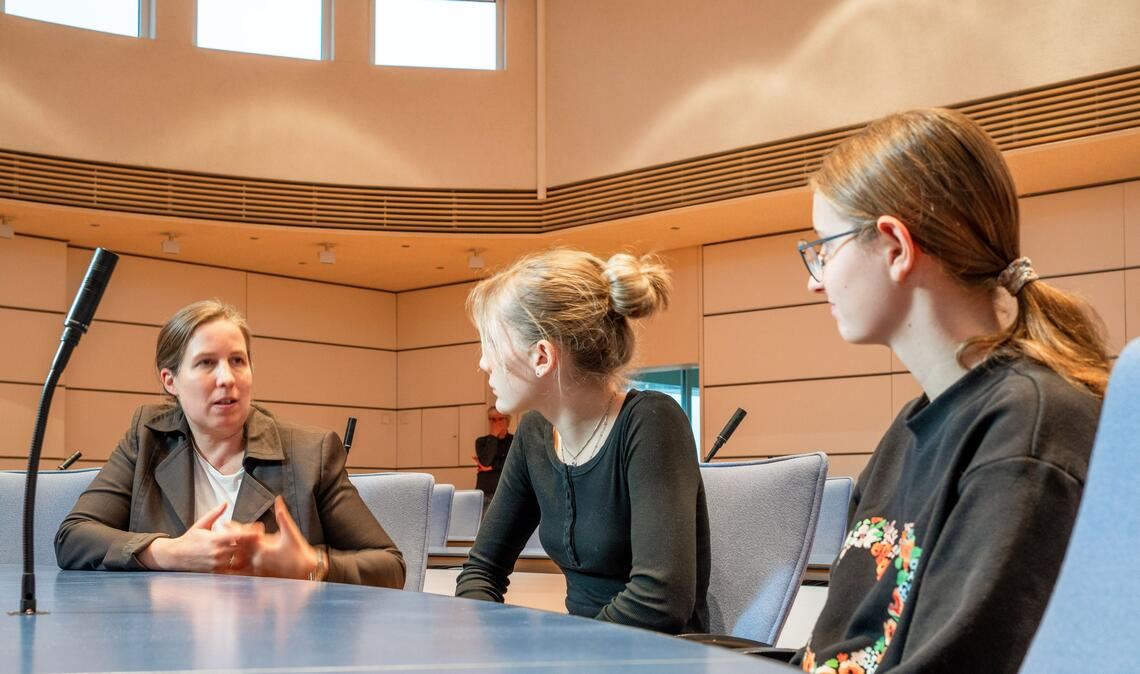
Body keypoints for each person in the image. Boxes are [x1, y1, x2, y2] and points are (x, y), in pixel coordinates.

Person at [793, 108, 1109, 673]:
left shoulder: (1028, 429)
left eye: (825, 247)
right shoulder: (911, 429)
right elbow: (839, 652)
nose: (815, 280)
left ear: (894, 246)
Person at [56, 299, 406, 589]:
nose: (227, 379)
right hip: (164, 642)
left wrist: (312, 565)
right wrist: (169, 553)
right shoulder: (147, 437)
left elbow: (390, 566)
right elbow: (73, 537)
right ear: (170, 380)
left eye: (237, 361)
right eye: (207, 363)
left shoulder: (311, 453)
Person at [454, 249, 710, 634]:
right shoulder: (535, 434)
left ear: (542, 356)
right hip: (583, 654)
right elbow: (481, 570)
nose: (483, 363)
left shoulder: (652, 423)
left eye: (490, 343)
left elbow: (659, 600)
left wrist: (560, 651)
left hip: (656, 659)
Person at [472, 407, 513, 510]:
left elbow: (512, 464)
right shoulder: (481, 442)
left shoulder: (515, 441)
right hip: (486, 493)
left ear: (507, 421)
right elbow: (486, 462)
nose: (496, 423)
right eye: (492, 419)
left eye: (500, 419)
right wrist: (494, 436)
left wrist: (492, 467)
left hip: (508, 492)